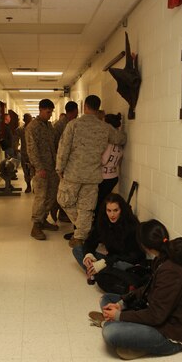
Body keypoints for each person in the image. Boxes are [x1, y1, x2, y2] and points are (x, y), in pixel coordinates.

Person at [89, 219, 182, 360]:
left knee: (110, 333)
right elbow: (147, 288)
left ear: (145, 246)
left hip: (170, 335)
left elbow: (156, 315)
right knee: (107, 299)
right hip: (157, 314)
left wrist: (120, 316)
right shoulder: (163, 257)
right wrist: (121, 304)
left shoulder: (171, 271)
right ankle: (125, 331)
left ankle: (119, 328)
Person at [56, 95, 126, 248]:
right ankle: (81, 233)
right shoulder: (105, 127)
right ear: (97, 108)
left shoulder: (73, 125)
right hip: (93, 176)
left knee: (64, 200)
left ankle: (81, 233)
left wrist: (59, 168)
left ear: (84, 107)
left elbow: (64, 148)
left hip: (73, 174)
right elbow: (121, 139)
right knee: (86, 207)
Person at [73, 193, 145, 282]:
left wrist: (104, 262)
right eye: (109, 210)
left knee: (119, 266)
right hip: (110, 259)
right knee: (78, 249)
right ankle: (97, 271)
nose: (112, 215)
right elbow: (90, 240)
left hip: (126, 262)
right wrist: (89, 256)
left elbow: (135, 256)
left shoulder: (131, 225)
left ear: (121, 210)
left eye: (115, 210)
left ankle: (97, 272)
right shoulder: (103, 221)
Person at [26, 99, 59, 240]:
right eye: (48, 111)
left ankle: (43, 220)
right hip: (41, 169)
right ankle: (36, 226)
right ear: (40, 110)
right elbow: (31, 149)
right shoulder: (32, 127)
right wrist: (39, 168)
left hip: (52, 167)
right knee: (41, 197)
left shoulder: (49, 126)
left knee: (51, 195)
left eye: (51, 111)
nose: (50, 114)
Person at [52, 101, 79, 223]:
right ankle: (56, 208)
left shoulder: (66, 123)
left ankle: (62, 214)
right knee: (63, 191)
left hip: (67, 163)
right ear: (75, 111)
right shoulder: (63, 125)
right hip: (63, 163)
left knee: (66, 190)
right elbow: (58, 145)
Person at [95, 113, 123, 217]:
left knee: (99, 204)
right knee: (104, 202)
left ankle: (99, 225)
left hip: (104, 177)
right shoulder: (119, 140)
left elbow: (104, 160)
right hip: (113, 176)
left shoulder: (109, 142)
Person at [16, 113, 32, 193]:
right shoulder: (20, 129)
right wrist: (16, 148)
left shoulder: (34, 128)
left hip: (33, 154)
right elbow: (16, 139)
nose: (29, 120)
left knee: (34, 171)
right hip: (24, 154)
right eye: (27, 118)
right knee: (26, 171)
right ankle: (28, 185)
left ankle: (35, 186)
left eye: (29, 118)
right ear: (24, 120)